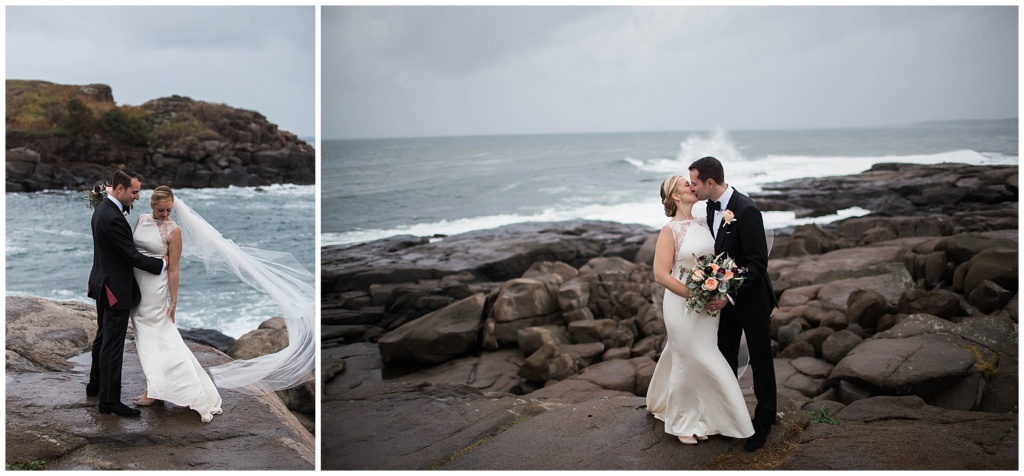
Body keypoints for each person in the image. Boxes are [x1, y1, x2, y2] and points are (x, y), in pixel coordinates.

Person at [646, 175, 755, 445]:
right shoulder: (669, 231)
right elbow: (661, 275)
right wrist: (695, 294)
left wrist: (719, 287)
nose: (692, 187)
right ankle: (682, 422)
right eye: (686, 185)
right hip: (681, 304)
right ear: (675, 196)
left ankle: (705, 416)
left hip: (707, 305)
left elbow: (720, 259)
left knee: (697, 354)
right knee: (688, 359)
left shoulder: (706, 222)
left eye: (691, 183)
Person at [688, 156, 778, 452]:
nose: (692, 188)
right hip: (721, 302)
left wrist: (728, 296)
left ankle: (764, 421)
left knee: (760, 360)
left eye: (695, 183)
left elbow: (757, 263)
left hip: (750, 302)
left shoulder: (746, 209)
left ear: (710, 183)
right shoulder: (708, 210)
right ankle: (730, 418)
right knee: (725, 359)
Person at [131, 186, 223, 422]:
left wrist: (174, 301)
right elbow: (131, 252)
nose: (165, 214)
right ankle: (158, 386)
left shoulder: (174, 230)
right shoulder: (141, 219)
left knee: (157, 336)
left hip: (155, 290)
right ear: (152, 206)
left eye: (169, 210)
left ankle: (156, 390)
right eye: (161, 210)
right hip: (136, 286)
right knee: (144, 337)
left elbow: (173, 268)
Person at [86, 170, 167, 417]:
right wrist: (161, 264)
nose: (138, 197)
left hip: (101, 282)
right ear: (119, 189)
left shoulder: (103, 209)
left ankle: (95, 386)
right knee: (112, 345)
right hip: (115, 289)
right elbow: (130, 255)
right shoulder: (113, 218)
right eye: (134, 192)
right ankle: (109, 402)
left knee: (102, 338)